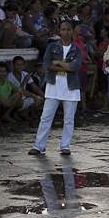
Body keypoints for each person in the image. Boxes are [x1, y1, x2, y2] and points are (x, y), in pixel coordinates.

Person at [29, 20, 82, 156]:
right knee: (46, 117)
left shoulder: (77, 49)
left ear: (72, 31)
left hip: (71, 88)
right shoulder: (52, 47)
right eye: (63, 29)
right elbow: (47, 65)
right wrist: (65, 65)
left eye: (68, 29)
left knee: (69, 119)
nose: (65, 32)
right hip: (53, 87)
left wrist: (58, 62)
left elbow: (74, 67)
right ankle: (38, 146)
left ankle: (65, 146)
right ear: (59, 31)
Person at [8, 55, 43, 119]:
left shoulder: (25, 74)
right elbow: (18, 91)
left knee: (40, 99)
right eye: (17, 65)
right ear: (13, 65)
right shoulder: (9, 77)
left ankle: (24, 112)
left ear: (24, 65)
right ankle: (14, 113)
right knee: (19, 96)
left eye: (21, 65)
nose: (20, 67)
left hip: (24, 98)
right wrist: (25, 81)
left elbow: (35, 88)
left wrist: (44, 96)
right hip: (14, 100)